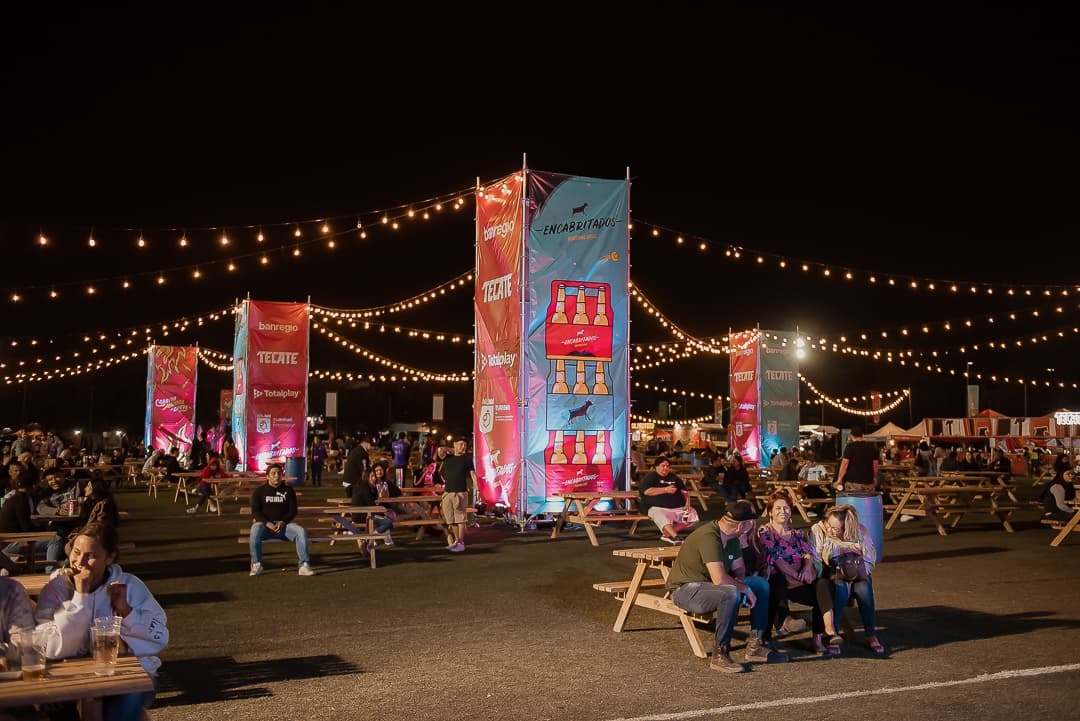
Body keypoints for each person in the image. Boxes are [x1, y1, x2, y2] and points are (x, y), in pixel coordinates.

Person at [34, 522, 168, 720]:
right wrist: (81, 597)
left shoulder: (129, 585)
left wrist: (126, 611)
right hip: (70, 674)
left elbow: (160, 637)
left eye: (91, 556)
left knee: (125, 697)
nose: (80, 562)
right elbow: (49, 646)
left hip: (129, 674)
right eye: (77, 552)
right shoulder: (56, 588)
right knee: (81, 701)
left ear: (110, 557)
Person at [666, 500, 788, 673]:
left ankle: (755, 645)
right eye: (750, 522)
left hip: (712, 587)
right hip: (685, 590)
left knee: (759, 584)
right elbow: (719, 579)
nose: (753, 525)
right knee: (730, 591)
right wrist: (743, 589)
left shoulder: (732, 538)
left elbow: (739, 569)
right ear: (741, 525)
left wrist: (744, 586)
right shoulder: (709, 536)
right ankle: (720, 654)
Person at [809, 504, 885, 656]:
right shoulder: (819, 530)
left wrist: (854, 571)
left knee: (864, 589)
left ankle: (871, 634)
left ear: (847, 528)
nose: (830, 530)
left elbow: (870, 558)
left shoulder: (860, 532)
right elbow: (816, 558)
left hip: (857, 573)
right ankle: (832, 634)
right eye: (828, 524)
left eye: (836, 528)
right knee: (840, 590)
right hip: (830, 574)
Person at [757, 490, 818, 641]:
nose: (782, 511)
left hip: (798, 578)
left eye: (786, 508)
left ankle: (822, 633)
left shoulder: (797, 533)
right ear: (770, 512)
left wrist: (806, 568)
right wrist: (796, 575)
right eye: (778, 508)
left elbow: (808, 553)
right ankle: (781, 621)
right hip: (779, 577)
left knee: (823, 588)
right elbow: (776, 558)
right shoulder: (765, 531)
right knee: (777, 582)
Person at [248, 463, 315, 576]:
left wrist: (283, 521)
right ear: (267, 476)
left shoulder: (288, 490)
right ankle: (256, 564)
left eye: (279, 473)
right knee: (255, 529)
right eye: (273, 473)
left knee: (300, 531)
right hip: (265, 527)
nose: (276, 476)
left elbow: (293, 511)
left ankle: (304, 565)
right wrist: (267, 523)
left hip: (284, 527)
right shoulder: (259, 491)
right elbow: (255, 511)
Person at [638, 457, 698, 544]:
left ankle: (666, 534)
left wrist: (687, 504)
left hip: (677, 507)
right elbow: (647, 491)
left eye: (667, 466)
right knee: (659, 514)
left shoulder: (674, 477)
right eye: (663, 466)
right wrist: (665, 490)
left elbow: (684, 492)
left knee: (692, 513)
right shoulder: (651, 477)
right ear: (656, 467)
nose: (666, 468)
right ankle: (675, 536)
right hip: (657, 507)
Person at [438, 437, 475, 553]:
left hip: (460, 492)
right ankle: (456, 540)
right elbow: (440, 450)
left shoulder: (467, 459)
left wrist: (477, 489)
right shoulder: (448, 457)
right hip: (448, 493)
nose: (463, 446)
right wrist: (453, 450)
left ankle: (461, 542)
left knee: (460, 518)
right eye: (461, 444)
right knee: (451, 519)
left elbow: (473, 474)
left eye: (465, 444)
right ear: (454, 444)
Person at [835, 424, 878, 493]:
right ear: (862, 435)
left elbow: (845, 464)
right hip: (868, 482)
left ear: (851, 436)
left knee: (853, 503)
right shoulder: (872, 447)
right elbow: (875, 465)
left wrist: (839, 479)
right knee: (866, 502)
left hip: (853, 482)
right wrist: (875, 478)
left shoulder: (850, 447)